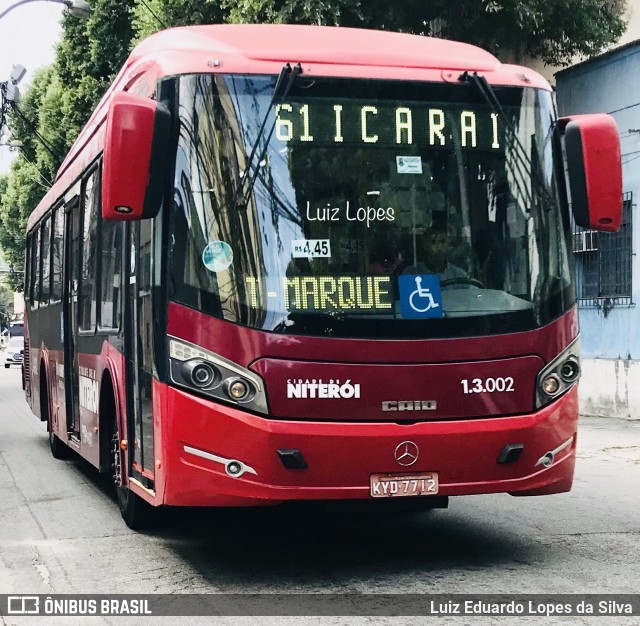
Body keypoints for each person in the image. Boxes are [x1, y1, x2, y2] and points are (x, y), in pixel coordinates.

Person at [403, 226, 468, 281]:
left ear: (448, 245)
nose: (439, 247)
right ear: (425, 245)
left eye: (442, 242)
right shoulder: (412, 273)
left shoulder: (459, 276)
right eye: (433, 242)